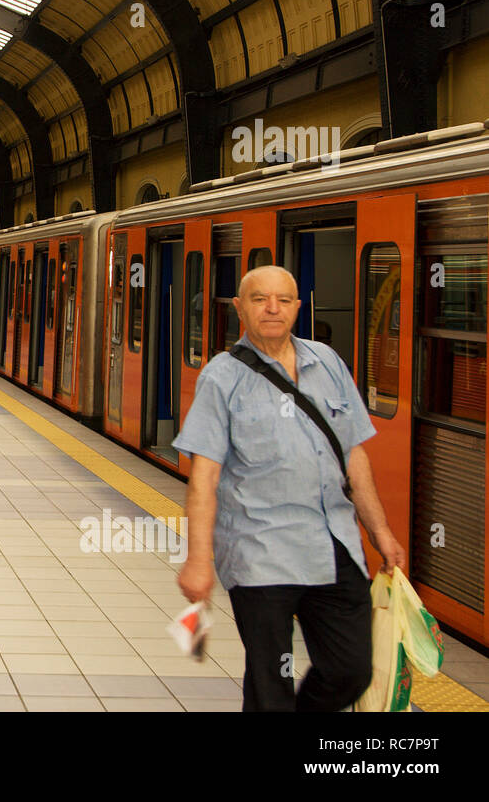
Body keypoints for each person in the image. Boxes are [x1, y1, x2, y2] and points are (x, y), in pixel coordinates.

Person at [173, 265, 404, 712]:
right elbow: (205, 476)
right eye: (260, 299)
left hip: (332, 544)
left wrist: (381, 533)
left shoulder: (328, 363)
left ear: (299, 307)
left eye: (283, 299)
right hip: (260, 552)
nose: (273, 309)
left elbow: (354, 457)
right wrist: (198, 561)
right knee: (271, 679)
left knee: (350, 669)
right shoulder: (222, 377)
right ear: (239, 308)